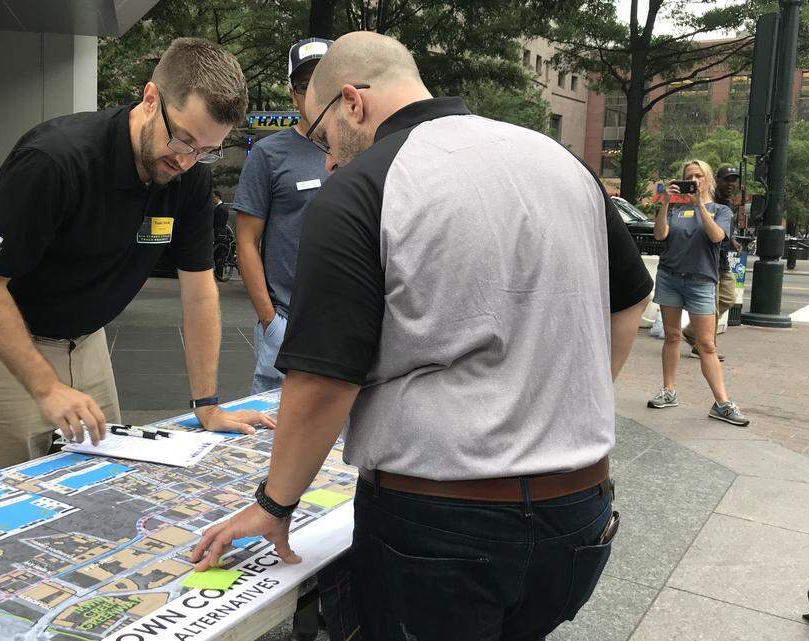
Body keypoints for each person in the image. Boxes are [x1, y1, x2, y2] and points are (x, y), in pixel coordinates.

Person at [191, 31, 653, 641]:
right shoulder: (558, 159)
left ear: (352, 102)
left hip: (438, 528)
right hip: (579, 513)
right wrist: (554, 402)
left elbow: (323, 380)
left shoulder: (360, 188)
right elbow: (629, 299)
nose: (327, 159)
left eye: (324, 135)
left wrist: (275, 505)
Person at [0, 38, 274, 485]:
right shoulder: (56, 161)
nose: (186, 160)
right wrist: (47, 386)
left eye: (205, 150)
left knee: (101, 483)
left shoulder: (189, 176)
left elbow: (199, 294)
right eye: (184, 139)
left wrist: (207, 404)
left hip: (85, 340)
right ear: (150, 98)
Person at [233, 38, 333, 394]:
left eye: (327, 81)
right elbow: (245, 242)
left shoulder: (360, 151)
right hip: (286, 323)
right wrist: (270, 321)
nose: (317, 94)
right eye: (307, 86)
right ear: (293, 94)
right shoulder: (268, 155)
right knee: (274, 438)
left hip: (347, 322)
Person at [648, 160, 749, 426]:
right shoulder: (675, 210)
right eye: (688, 176)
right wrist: (665, 204)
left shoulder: (720, 210)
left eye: (698, 176)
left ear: (708, 180)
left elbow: (717, 237)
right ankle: (668, 391)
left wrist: (699, 206)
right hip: (670, 277)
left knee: (706, 344)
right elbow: (660, 236)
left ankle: (722, 403)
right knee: (671, 336)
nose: (693, 180)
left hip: (701, 281)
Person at [682, 164, 741, 361]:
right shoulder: (709, 200)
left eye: (734, 180)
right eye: (727, 179)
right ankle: (705, 346)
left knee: (728, 297)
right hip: (709, 260)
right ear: (717, 180)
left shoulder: (727, 203)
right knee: (712, 307)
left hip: (723, 259)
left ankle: (692, 332)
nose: (731, 184)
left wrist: (732, 241)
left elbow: (722, 229)